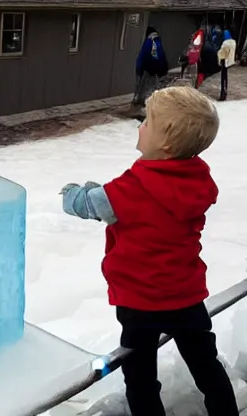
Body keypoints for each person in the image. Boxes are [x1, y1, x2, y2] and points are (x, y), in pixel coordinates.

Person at [59, 86, 238, 416]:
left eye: (146, 122)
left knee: (140, 377)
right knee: (206, 366)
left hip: (140, 302)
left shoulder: (134, 187)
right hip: (186, 296)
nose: (140, 127)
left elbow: (90, 205)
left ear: (165, 144)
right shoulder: (198, 179)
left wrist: (72, 193)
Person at [133, 26, 169, 106]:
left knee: (145, 86)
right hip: (150, 69)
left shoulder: (151, 41)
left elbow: (152, 57)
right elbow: (158, 56)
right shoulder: (155, 41)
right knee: (148, 86)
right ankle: (142, 102)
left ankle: (141, 102)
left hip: (147, 69)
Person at [217, 28, 237, 101]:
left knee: (223, 78)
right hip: (229, 61)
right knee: (225, 77)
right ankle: (224, 93)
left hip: (224, 61)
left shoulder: (225, 43)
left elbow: (221, 52)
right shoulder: (233, 42)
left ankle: (223, 94)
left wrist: (219, 57)